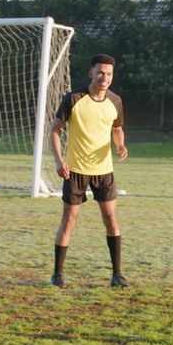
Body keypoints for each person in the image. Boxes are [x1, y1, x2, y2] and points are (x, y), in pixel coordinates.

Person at [49, 54, 129, 288]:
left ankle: (117, 275)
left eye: (109, 74)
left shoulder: (115, 101)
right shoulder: (73, 99)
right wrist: (58, 160)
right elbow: (54, 130)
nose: (105, 77)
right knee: (69, 220)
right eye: (101, 73)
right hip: (75, 171)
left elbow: (117, 128)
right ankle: (58, 274)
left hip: (104, 171)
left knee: (111, 218)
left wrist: (120, 144)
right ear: (91, 73)